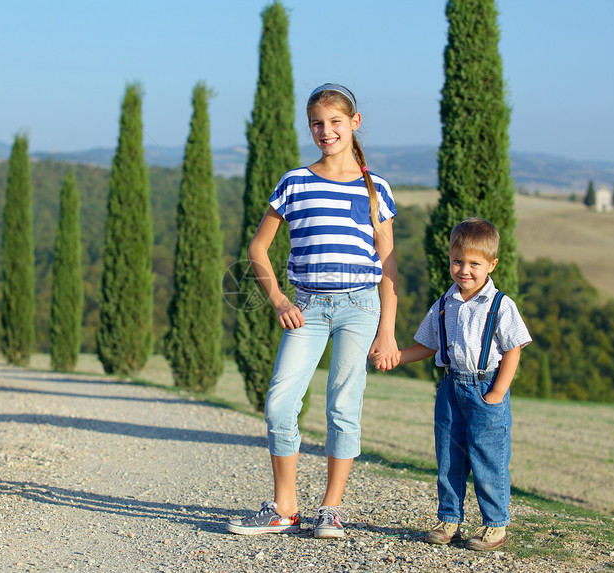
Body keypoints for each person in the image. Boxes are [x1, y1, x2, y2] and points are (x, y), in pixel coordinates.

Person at [227, 83, 399, 539]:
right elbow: (258, 248)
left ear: (354, 123)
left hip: (360, 306)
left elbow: (389, 267)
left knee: (343, 406)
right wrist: (279, 300)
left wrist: (388, 331)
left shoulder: (376, 189)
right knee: (280, 404)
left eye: (335, 122)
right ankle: (285, 508)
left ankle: (331, 508)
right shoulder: (294, 182)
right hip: (306, 306)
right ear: (310, 128)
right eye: (318, 124)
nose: (326, 131)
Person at [376, 217, 530, 551]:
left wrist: (498, 393)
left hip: (485, 388)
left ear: (492, 264)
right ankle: (449, 519)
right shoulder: (445, 303)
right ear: (449, 259)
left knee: (488, 458)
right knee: (449, 457)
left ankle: (495, 525)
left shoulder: (500, 305)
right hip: (449, 389)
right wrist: (396, 356)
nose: (464, 270)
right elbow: (429, 345)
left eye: (475, 263)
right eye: (457, 261)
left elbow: (514, 349)